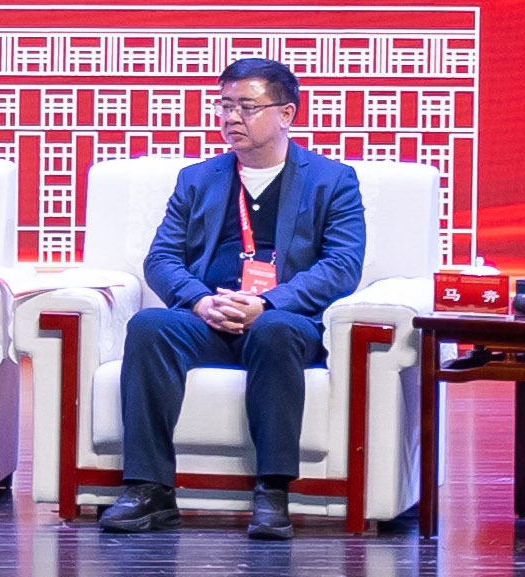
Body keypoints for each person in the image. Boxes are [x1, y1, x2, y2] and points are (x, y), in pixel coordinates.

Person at [99, 57, 369, 540]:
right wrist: (200, 301)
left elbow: (342, 265)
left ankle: (272, 492)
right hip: (209, 316)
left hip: (283, 321)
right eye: (225, 106)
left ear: (286, 114)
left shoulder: (332, 180)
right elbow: (161, 258)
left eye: (247, 106)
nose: (231, 118)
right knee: (150, 326)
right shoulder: (198, 179)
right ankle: (149, 488)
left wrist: (270, 302)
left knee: (274, 330)